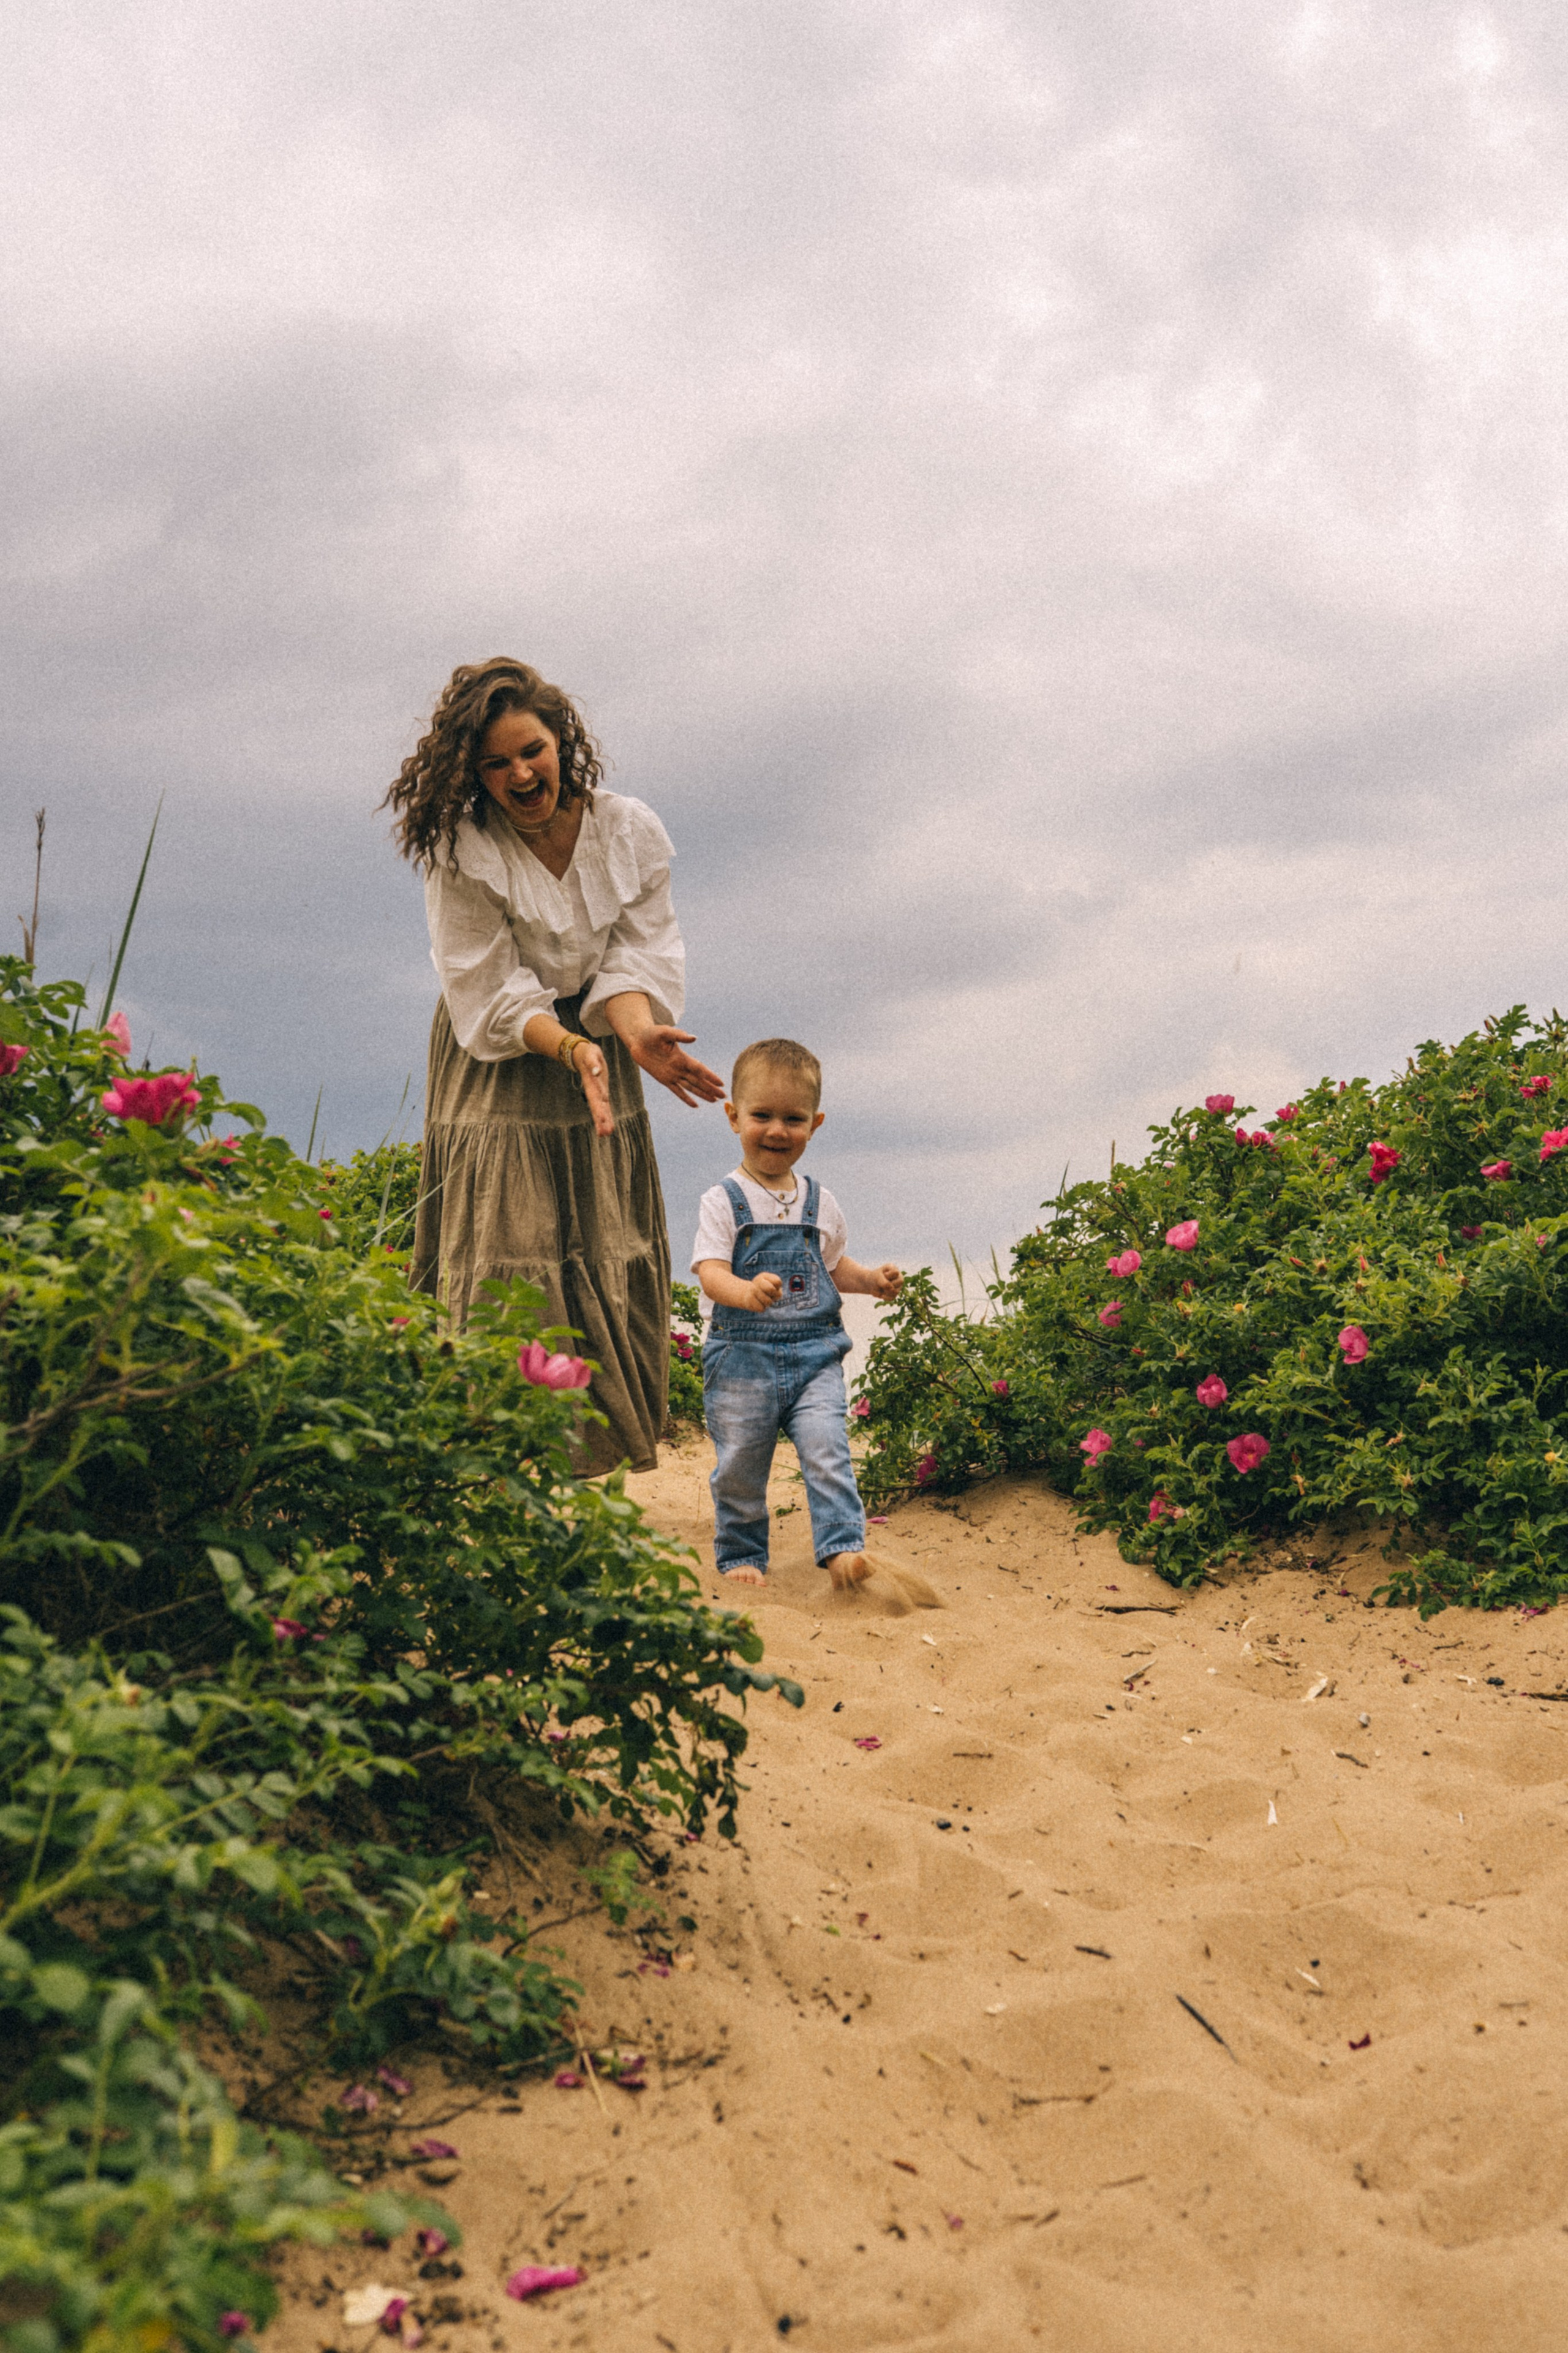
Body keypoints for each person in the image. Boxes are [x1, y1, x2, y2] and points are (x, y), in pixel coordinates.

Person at [384, 657, 723, 1471]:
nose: (519, 773)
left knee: (604, 1237)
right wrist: (570, 1048)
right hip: (500, 1055)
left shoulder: (627, 830)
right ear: (474, 774)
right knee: (514, 1249)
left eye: (531, 749)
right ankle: (501, 1463)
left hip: (606, 1048)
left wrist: (634, 1037)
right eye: (495, 763)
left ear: (561, 740)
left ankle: (591, 1466)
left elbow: (637, 958)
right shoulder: (461, 848)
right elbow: (490, 988)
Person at [692, 1037, 902, 1588]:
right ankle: (741, 1555)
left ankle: (842, 1550)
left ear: (816, 1123)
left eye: (794, 1118)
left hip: (815, 1357)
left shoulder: (819, 1202)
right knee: (740, 1463)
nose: (777, 1130)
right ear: (734, 1116)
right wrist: (743, 1290)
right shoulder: (723, 1200)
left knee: (828, 1448)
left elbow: (833, 1267)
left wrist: (871, 1282)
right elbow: (710, 1270)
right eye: (762, 1115)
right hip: (741, 1358)